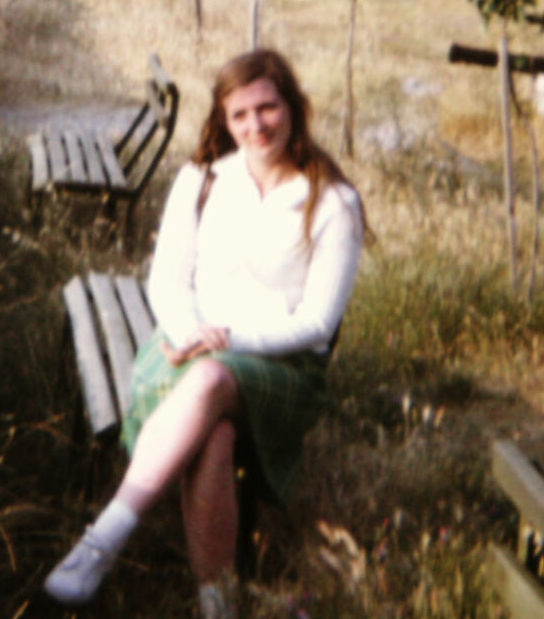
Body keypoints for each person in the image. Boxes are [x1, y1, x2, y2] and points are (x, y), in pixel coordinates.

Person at [45, 48, 368, 617]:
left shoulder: (333, 201)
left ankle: (104, 538)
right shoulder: (201, 181)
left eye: (267, 108)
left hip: (284, 367)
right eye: (239, 115)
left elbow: (317, 324)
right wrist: (192, 332)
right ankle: (218, 604)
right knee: (214, 435)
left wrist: (224, 340)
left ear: (292, 107)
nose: (255, 126)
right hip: (183, 344)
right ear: (223, 119)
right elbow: (166, 281)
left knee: (212, 380)